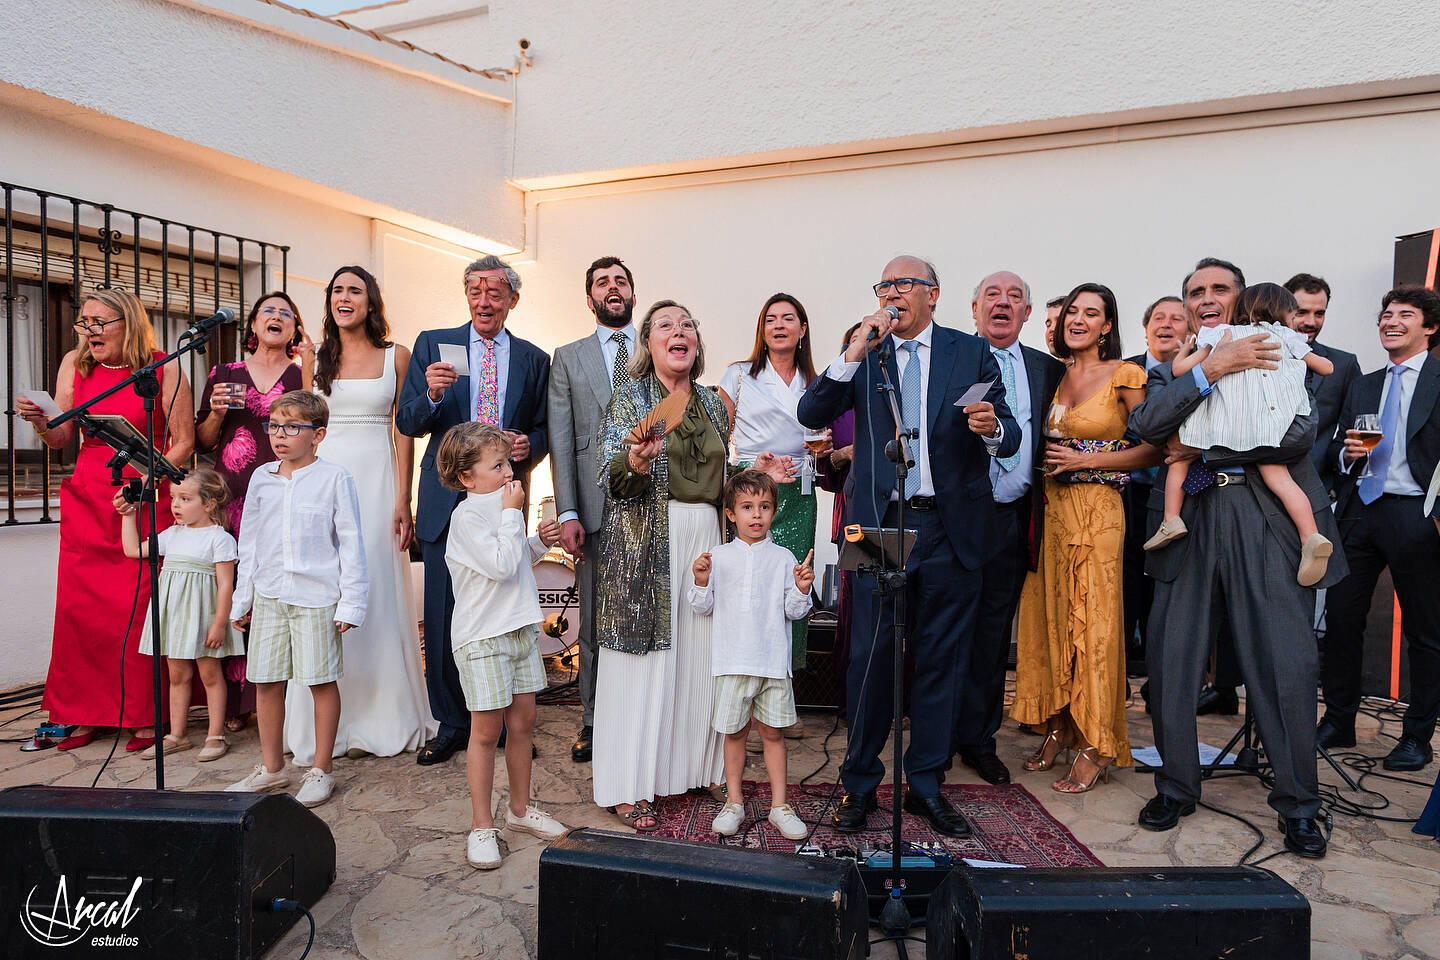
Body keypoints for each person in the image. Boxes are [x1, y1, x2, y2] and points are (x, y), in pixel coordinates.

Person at [1128, 260, 1346, 860]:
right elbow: (1145, 424)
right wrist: (1209, 374)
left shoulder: (1282, 347)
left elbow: (1298, 437)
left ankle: (1299, 804)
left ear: (1240, 297)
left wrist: (1200, 443)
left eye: (1217, 289)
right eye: (1194, 291)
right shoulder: (1191, 358)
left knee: (1285, 666)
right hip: (1188, 524)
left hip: (1266, 522)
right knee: (1173, 662)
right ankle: (1175, 787)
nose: (1204, 299)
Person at [797, 256, 1019, 837]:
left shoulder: (967, 351)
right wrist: (851, 351)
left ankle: (925, 785)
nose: (892, 294)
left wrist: (992, 427)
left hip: (950, 527)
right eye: (885, 285)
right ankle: (858, 783)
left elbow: (1012, 430)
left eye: (904, 285)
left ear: (934, 294)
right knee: (870, 657)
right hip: (877, 526)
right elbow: (811, 412)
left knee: (942, 658)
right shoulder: (865, 354)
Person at [591, 300, 793, 831]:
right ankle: (630, 786)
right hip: (647, 541)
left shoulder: (710, 401)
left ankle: (696, 770)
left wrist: (756, 469)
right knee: (646, 665)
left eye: (687, 326)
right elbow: (608, 476)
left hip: (707, 536)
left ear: (696, 344)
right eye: (665, 326)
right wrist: (635, 459)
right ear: (649, 343)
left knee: (701, 656)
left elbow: (718, 479)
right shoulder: (629, 397)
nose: (678, 332)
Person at [16, 287, 194, 752]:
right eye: (84, 322)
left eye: (99, 322)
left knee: (137, 609)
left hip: (142, 491)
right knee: (83, 610)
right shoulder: (76, 365)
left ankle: (141, 713)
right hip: (90, 494)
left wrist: (146, 480)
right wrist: (39, 420)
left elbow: (183, 439)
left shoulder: (164, 366)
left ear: (128, 323)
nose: (89, 331)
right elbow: (60, 438)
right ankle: (86, 712)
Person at [397, 255, 550, 766]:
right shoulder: (434, 344)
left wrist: (531, 446)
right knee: (443, 614)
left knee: (500, 605)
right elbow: (409, 421)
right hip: (445, 498)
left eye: (495, 291)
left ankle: (499, 714)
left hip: (502, 497)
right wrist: (434, 394)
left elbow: (546, 428)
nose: (484, 300)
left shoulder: (533, 358)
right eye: (475, 290)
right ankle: (452, 721)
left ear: (513, 299)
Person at [1010, 283, 1156, 792]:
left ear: (1107, 325)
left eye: (1091, 313)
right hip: (1050, 512)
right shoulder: (1053, 375)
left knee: (1094, 625)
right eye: (1073, 311)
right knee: (1050, 619)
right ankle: (1059, 725)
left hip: (1098, 512)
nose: (1079, 319)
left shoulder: (1126, 374)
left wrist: (1089, 458)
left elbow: (1155, 448)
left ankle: (1096, 744)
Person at [288, 265, 434, 766]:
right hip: (323, 480)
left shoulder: (398, 356)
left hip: (376, 484)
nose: (343, 297)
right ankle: (327, 721)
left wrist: (403, 497)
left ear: (371, 302)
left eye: (354, 290)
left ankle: (382, 713)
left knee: (373, 582)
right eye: (336, 291)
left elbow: (404, 431)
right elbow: (301, 427)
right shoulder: (315, 360)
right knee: (325, 587)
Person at [1317, 287, 1440, 771]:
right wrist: (1347, 454)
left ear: (1429, 327)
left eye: (1404, 315)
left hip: (1417, 514)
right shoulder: (1364, 383)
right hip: (1360, 509)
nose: (1390, 321)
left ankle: (1417, 736)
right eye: (1385, 314)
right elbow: (1334, 448)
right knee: (1343, 620)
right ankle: (1339, 720)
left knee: (1426, 632)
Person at [226, 391, 367, 808]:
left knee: (320, 681)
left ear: (317, 435)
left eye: (292, 427)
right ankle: (272, 768)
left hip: (316, 596)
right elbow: (248, 541)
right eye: (273, 426)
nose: (279, 435)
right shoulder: (261, 478)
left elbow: (351, 544)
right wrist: (242, 597)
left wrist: (351, 602)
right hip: (269, 595)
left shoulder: (335, 478)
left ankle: (321, 768)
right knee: (267, 681)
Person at [436, 423, 567, 869]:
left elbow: (515, 562)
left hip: (519, 630)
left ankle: (519, 810)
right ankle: (480, 825)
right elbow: (499, 565)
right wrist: (514, 517)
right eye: (497, 465)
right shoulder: (467, 517)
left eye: (508, 461)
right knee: (486, 731)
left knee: (524, 724)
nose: (508, 470)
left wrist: (536, 542)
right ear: (467, 477)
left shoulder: (502, 508)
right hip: (484, 638)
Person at [1146, 284, 1336, 587]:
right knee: (1282, 480)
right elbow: (1326, 367)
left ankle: (1171, 520)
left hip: (1223, 425)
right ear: (1285, 314)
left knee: (1179, 459)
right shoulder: (1287, 337)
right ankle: (1311, 535)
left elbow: (1182, 369)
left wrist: (1185, 351)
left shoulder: (1221, 333)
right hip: (1269, 424)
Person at [954, 271, 1063, 786]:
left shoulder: (1049, 370)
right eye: (992, 296)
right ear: (974, 310)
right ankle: (936, 732)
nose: (1003, 303)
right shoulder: (953, 359)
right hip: (957, 519)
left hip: (1015, 518)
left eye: (1014, 297)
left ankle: (978, 739)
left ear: (1027, 314)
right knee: (948, 631)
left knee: (994, 636)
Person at [195, 291, 306, 733]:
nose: (277, 318)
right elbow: (204, 441)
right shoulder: (225, 373)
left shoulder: (303, 374)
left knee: (274, 581)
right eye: (268, 312)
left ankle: (276, 692)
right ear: (253, 327)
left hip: (283, 489)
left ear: (295, 328)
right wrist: (218, 412)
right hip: (232, 492)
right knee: (233, 584)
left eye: (286, 314)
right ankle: (236, 703)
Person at [691, 470, 815, 841]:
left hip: (772, 664)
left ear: (775, 511)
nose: (756, 515)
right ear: (731, 513)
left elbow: (794, 611)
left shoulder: (783, 557)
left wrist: (802, 588)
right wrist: (699, 581)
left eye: (764, 507)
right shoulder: (718, 557)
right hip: (732, 663)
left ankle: (780, 806)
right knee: (734, 734)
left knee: (773, 734)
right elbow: (702, 607)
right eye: (747, 507)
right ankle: (734, 802)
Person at [547, 255, 638, 764]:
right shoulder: (568, 356)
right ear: (590, 299)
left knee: (651, 615)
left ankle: (640, 713)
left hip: (652, 505)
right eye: (602, 282)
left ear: (632, 294)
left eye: (620, 281)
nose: (612, 288)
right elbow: (560, 439)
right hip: (595, 506)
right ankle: (592, 719)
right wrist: (567, 514)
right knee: (596, 621)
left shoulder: (657, 349)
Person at [717, 294, 821, 672]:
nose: (779, 326)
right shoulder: (739, 374)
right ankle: (739, 676)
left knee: (793, 583)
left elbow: (824, 438)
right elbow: (717, 439)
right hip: (751, 492)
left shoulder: (817, 380)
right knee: (748, 586)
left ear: (802, 329)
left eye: (788, 319)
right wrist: (753, 471)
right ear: (762, 331)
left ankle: (783, 689)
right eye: (771, 319)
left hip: (798, 494)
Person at [116, 468, 241, 762]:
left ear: (209, 504)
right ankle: (177, 734)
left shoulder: (219, 538)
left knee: (210, 675)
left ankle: (215, 735)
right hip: (174, 618)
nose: (175, 505)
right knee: (177, 675)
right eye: (173, 498)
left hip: (204, 618)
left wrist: (219, 623)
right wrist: (128, 515)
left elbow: (225, 585)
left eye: (185, 499)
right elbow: (133, 550)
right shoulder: (173, 534)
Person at [1123, 297, 1188, 676]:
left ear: (1189, 329)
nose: (1166, 325)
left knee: (1165, 592)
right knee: (1126, 587)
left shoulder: (1199, 370)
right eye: (1158, 318)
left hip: (1176, 494)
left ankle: (1159, 686)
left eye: (1176, 319)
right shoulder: (1122, 370)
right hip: (1125, 492)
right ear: (1146, 329)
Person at [815, 324, 860, 719]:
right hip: (854, 516)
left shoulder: (903, 396)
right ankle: (852, 701)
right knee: (854, 609)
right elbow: (824, 472)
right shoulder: (837, 402)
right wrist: (845, 454)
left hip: (907, 515)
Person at [1283, 273, 1362, 495]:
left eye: (1319, 313)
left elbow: (1358, 424)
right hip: (1256, 492)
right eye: (1302, 312)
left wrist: (1343, 460)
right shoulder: (1258, 354)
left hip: (1317, 490)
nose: (1311, 322)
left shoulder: (1343, 365)